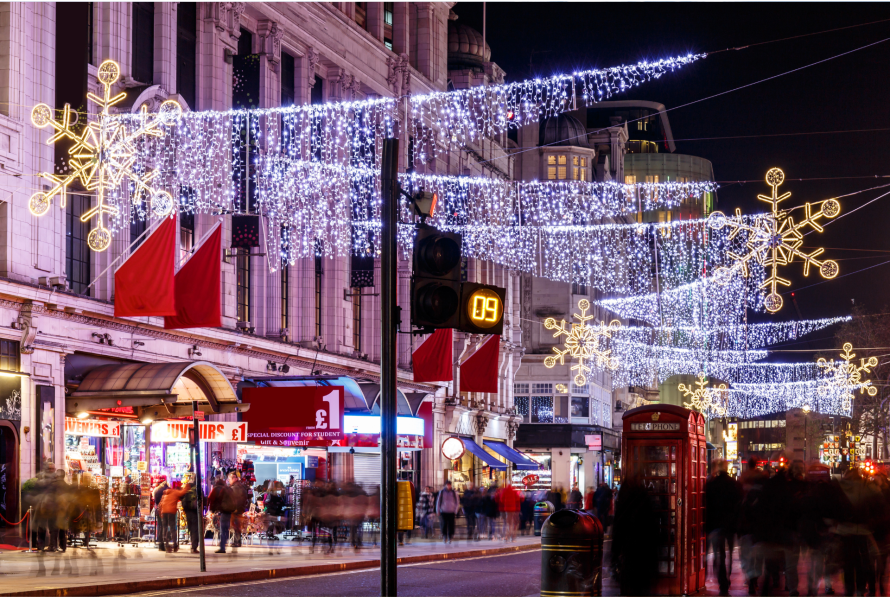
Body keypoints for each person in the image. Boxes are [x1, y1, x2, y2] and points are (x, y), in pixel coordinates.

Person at [610, 474, 659, 595]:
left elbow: (618, 529)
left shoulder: (623, 502)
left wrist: (614, 554)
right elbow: (653, 528)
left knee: (629, 587)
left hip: (629, 551)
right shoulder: (645, 498)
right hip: (644, 551)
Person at [705, 459, 742, 596]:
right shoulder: (734, 484)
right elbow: (739, 504)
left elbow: (706, 505)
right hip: (731, 525)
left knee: (719, 554)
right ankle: (729, 574)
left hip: (715, 524)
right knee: (730, 554)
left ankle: (723, 583)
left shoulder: (711, 484)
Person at [158, 481, 191, 553]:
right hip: (171, 512)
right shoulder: (174, 492)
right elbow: (182, 492)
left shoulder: (165, 494)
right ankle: (175, 545)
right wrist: (187, 487)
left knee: (165, 528)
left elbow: (160, 504)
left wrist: (160, 513)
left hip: (164, 512)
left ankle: (167, 545)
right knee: (172, 528)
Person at [208, 476, 236, 553]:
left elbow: (212, 499)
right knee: (225, 529)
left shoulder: (218, 489)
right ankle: (224, 544)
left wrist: (212, 509)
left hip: (223, 511)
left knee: (223, 529)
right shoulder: (228, 489)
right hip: (230, 511)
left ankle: (222, 547)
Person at [180, 474, 204, 554]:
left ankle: (193, 546)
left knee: (191, 529)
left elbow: (182, 498)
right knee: (195, 530)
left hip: (188, 512)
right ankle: (194, 547)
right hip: (195, 512)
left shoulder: (187, 488)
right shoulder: (198, 489)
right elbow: (202, 500)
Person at [229, 472, 248, 547]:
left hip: (236, 509)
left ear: (234, 478)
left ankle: (237, 542)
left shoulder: (235, 487)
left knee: (236, 525)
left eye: (229, 479)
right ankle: (237, 541)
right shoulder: (240, 486)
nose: (229, 481)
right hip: (240, 508)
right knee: (237, 525)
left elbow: (234, 499)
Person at [153, 476, 169, 551]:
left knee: (160, 526)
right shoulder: (168, 490)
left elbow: (155, 501)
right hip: (166, 510)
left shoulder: (157, 490)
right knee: (165, 527)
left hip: (159, 510)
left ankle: (160, 544)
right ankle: (165, 544)